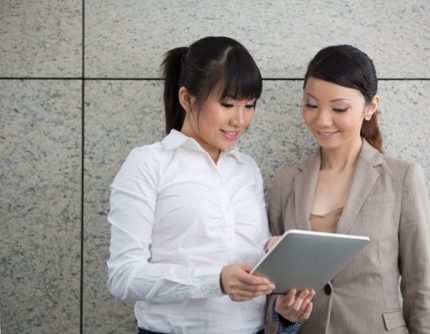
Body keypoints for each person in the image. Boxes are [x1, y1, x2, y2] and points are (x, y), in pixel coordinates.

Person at [106, 36, 311, 334]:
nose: (240, 120)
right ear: (187, 98)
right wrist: (214, 281)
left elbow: (247, 260)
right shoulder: (148, 163)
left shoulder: (246, 169)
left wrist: (274, 258)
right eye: (227, 104)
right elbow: (123, 277)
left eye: (250, 105)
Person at [265, 45, 430, 333]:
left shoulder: (402, 177)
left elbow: (420, 288)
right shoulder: (286, 181)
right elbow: (273, 289)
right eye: (311, 105)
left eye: (339, 108)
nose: (322, 120)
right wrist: (284, 318)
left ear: (370, 107)